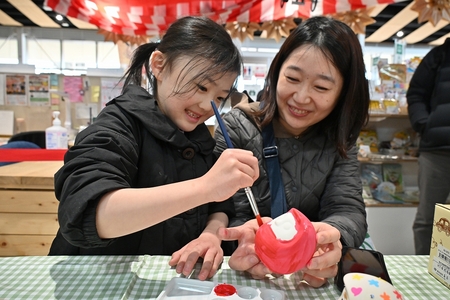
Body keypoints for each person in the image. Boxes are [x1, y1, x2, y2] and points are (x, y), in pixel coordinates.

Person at [48, 16, 259, 281]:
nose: (207, 105)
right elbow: (91, 214)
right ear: (159, 65)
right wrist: (205, 187)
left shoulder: (202, 138)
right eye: (200, 86)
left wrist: (211, 235)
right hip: (94, 280)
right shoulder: (119, 124)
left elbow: (221, 206)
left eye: (219, 97)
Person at [214, 16, 370, 287]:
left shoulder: (339, 139)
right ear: (276, 73)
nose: (301, 97)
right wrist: (239, 244)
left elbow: (347, 209)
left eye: (321, 87)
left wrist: (334, 236)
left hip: (308, 276)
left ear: (343, 93)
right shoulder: (236, 127)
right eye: (292, 78)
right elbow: (224, 209)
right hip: (249, 278)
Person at [407, 38, 450, 255]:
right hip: (437, 150)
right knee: (428, 219)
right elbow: (416, 93)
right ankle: (426, 270)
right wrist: (425, 124)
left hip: (434, 147)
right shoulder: (438, 56)